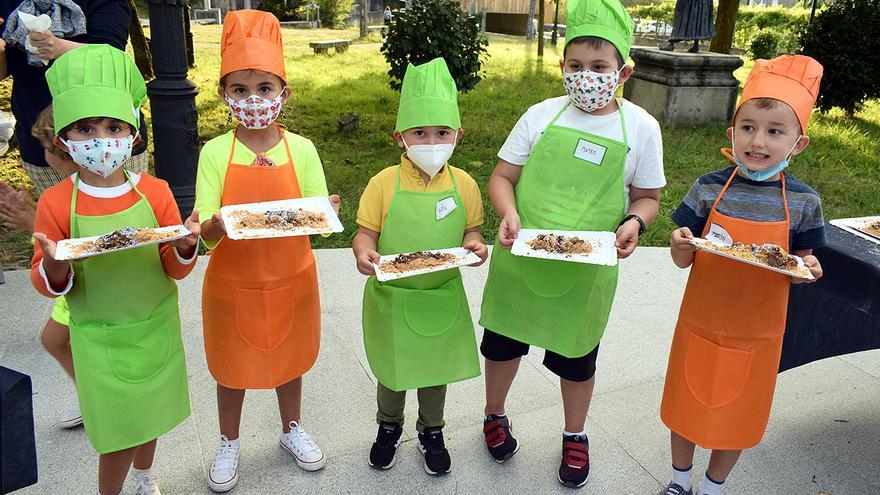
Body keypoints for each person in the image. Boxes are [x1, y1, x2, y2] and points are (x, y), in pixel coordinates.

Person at [477, 0, 665, 488]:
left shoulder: (642, 127)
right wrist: (509, 212)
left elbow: (647, 197)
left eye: (599, 67)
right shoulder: (540, 115)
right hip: (522, 257)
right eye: (576, 66)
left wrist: (635, 224)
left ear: (623, 71)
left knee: (578, 358)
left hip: (586, 268)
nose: (587, 76)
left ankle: (575, 433)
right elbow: (502, 176)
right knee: (502, 345)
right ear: (563, 67)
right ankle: (493, 413)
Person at [30, 44, 200, 495]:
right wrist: (54, 262)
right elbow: (47, 284)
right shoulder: (56, 201)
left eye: (112, 127)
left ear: (132, 133)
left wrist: (184, 246)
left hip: (156, 329)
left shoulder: (157, 192)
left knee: (150, 420)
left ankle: (145, 477)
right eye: (85, 128)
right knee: (115, 435)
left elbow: (173, 267)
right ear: (63, 138)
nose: (100, 139)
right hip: (99, 337)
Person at [659, 54, 825, 495]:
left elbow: (801, 265)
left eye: (775, 131)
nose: (759, 140)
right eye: (749, 127)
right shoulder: (709, 187)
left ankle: (713, 486)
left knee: (737, 415)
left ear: (798, 143)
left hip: (758, 333)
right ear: (733, 133)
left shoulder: (805, 203)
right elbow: (685, 257)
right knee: (686, 405)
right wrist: (679, 246)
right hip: (701, 322)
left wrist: (808, 268)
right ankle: (679, 481)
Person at [194, 10, 340, 493]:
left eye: (264, 88)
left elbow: (318, 216)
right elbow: (205, 229)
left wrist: (326, 211)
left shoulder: (302, 148)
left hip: (292, 277)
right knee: (231, 366)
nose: (253, 99)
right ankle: (228, 439)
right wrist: (211, 226)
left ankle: (291, 429)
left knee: (290, 358)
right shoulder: (215, 153)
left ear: (284, 93)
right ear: (224, 95)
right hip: (233, 283)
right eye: (240, 89)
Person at [352, 57, 487, 476]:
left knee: (435, 371)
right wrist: (363, 253)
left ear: (457, 136)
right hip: (393, 297)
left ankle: (432, 430)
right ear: (400, 138)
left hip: (440, 297)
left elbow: (472, 232)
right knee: (393, 373)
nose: (431, 141)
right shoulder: (382, 183)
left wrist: (474, 246)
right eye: (420, 133)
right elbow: (365, 235)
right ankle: (388, 427)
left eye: (442, 132)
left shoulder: (464, 184)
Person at [0, 0, 150, 196]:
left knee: (128, 221)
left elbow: (112, 57)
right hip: (44, 144)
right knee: (63, 222)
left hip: (110, 141)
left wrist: (59, 47)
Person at [0, 106, 83, 429]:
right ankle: (90, 392)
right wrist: (30, 212)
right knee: (54, 340)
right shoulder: (67, 189)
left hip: (83, 283)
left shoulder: (85, 190)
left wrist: (30, 220)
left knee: (54, 339)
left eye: (46, 150)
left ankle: (93, 395)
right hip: (71, 281)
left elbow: (79, 243)